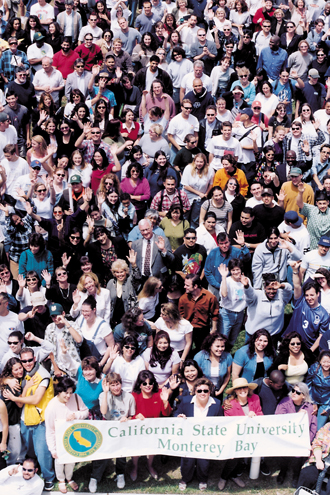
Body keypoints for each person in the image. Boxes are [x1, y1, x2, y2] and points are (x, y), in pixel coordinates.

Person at [2, 347, 55, 491]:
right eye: (24, 361)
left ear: (35, 359)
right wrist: (7, 380)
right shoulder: (25, 374)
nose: (27, 363)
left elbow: (36, 398)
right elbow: (5, 376)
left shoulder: (42, 375)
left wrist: (14, 397)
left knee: (42, 452)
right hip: (26, 420)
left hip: (40, 421)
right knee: (30, 453)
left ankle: (49, 478)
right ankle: (33, 472)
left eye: (30, 360)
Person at [174, 377, 223, 491]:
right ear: (195, 391)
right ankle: (185, 478)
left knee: (204, 461)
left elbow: (221, 420)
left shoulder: (216, 404)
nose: (202, 393)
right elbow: (176, 412)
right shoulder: (186, 401)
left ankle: (202, 479)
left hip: (206, 438)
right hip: (189, 437)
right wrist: (178, 416)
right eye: (199, 390)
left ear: (210, 391)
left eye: (205, 390)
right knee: (187, 460)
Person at [44, 376, 89, 493]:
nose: (69, 396)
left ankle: (69, 478)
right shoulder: (51, 407)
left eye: (70, 393)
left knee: (71, 459)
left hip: (74, 436)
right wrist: (52, 449)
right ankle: (61, 480)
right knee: (59, 461)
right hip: (59, 438)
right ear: (59, 391)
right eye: (66, 393)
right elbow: (50, 430)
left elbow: (85, 412)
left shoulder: (76, 397)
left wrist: (76, 415)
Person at [218, 377, 262, 490]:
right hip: (236, 436)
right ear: (235, 391)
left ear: (248, 388)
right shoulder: (229, 405)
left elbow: (261, 415)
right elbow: (229, 424)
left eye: (244, 387)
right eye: (239, 388)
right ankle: (223, 477)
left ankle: (234, 475)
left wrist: (255, 416)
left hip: (252, 434)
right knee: (233, 458)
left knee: (242, 457)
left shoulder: (255, 398)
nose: (242, 390)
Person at [130, 369, 171, 480]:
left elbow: (166, 413)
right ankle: (134, 467)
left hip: (153, 429)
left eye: (150, 383)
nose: (148, 386)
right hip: (137, 429)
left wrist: (165, 401)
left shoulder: (159, 394)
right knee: (136, 448)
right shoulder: (134, 396)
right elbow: (129, 415)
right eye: (144, 383)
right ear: (140, 385)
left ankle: (150, 465)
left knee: (152, 448)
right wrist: (135, 417)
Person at [99, 372, 136, 490]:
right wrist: (105, 393)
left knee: (121, 454)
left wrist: (127, 418)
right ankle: (96, 475)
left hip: (123, 429)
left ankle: (120, 474)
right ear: (108, 386)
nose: (116, 387)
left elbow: (132, 416)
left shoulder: (129, 397)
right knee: (105, 453)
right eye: (112, 385)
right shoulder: (103, 395)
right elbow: (104, 412)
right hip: (108, 428)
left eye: (117, 384)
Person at [284, 261, 330, 354]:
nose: (309, 298)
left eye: (312, 295)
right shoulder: (301, 302)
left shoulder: (323, 314)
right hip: (290, 344)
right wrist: (295, 271)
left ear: (318, 294)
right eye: (307, 295)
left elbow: (321, 336)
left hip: (308, 347)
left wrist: (310, 351)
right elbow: (297, 285)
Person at [178, 273, 218, 351]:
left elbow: (215, 314)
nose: (184, 287)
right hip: (188, 328)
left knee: (203, 350)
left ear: (195, 286)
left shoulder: (210, 297)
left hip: (203, 329)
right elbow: (180, 315)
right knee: (186, 349)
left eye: (187, 285)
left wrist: (213, 329)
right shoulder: (183, 298)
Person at [131, 218, 175, 285]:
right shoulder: (135, 244)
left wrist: (163, 250)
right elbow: (132, 265)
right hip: (142, 281)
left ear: (151, 227)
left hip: (159, 280)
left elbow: (171, 261)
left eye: (147, 229)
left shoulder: (163, 240)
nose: (145, 232)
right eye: (142, 230)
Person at [106, 255, 141, 328]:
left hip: (129, 318)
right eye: (117, 272)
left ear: (126, 271)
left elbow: (137, 277)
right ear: (114, 273)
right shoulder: (110, 283)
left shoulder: (130, 281)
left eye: (122, 272)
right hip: (114, 318)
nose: (120, 274)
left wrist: (134, 264)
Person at [306, 350, 330, 430]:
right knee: (308, 424)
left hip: (326, 402)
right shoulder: (314, 368)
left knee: (318, 428)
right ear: (320, 361)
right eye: (324, 361)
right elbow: (308, 385)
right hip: (313, 397)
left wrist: (328, 407)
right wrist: (312, 402)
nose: (326, 364)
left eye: (329, 362)